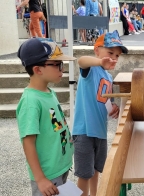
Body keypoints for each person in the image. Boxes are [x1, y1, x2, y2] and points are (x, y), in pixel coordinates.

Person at [16, 38, 76, 196]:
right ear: (38, 70)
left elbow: (55, 126)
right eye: (57, 65)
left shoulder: (49, 92)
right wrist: (40, 178)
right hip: (48, 174)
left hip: (60, 167)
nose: (62, 70)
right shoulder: (31, 102)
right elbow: (28, 142)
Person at [72, 30, 127, 196]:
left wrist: (113, 107)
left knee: (96, 170)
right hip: (84, 130)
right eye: (110, 53)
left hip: (100, 131)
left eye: (117, 55)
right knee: (84, 174)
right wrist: (98, 62)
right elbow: (81, 61)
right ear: (97, 50)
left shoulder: (109, 77)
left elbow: (104, 100)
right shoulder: (91, 70)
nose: (114, 58)